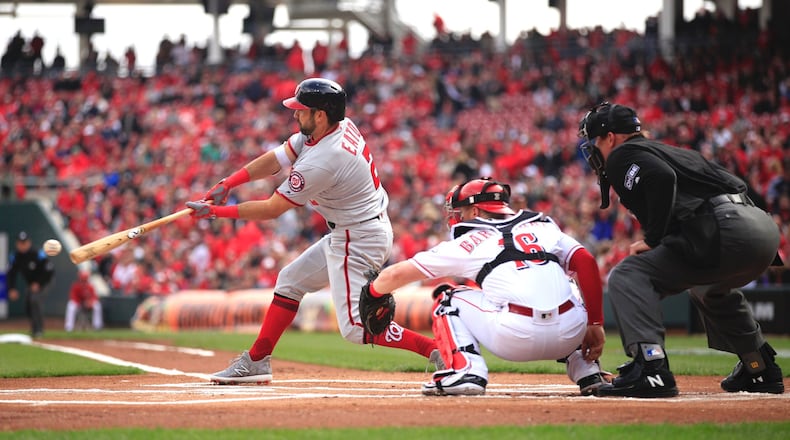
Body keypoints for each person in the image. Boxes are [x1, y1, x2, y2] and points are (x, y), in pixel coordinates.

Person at [186, 77, 440, 384]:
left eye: (301, 110)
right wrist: (229, 183)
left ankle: (436, 349)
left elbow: (272, 209)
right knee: (290, 281)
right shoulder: (335, 127)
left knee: (357, 328)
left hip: (358, 238)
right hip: (352, 231)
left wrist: (214, 212)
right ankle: (256, 361)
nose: (295, 114)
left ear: (320, 114)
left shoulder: (325, 159)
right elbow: (277, 159)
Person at [577, 102, 785, 398]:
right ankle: (759, 366)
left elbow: (661, 178)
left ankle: (651, 368)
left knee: (627, 274)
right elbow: (736, 183)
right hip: (760, 229)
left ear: (611, 137)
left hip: (724, 228)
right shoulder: (672, 150)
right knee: (708, 288)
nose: (594, 149)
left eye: (596, 140)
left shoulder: (623, 153)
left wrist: (653, 238)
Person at [365, 178, 608, 396]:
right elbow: (586, 262)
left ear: (475, 210)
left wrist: (372, 292)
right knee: (568, 285)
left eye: (460, 211)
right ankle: (587, 370)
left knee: (448, 297)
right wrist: (595, 323)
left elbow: (397, 273)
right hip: (570, 333)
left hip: (514, 337)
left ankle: (467, 370)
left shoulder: (468, 241)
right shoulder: (544, 225)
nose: (456, 217)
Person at [6, 231, 55, 337]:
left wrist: (38, 283)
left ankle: (39, 330)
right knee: (28, 305)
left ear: (29, 242)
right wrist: (12, 288)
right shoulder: (15, 256)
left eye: (24, 242)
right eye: (20, 243)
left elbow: (49, 270)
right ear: (17, 244)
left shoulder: (37, 253)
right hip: (31, 283)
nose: (22, 245)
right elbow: (11, 274)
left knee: (35, 300)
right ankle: (34, 329)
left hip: (45, 281)